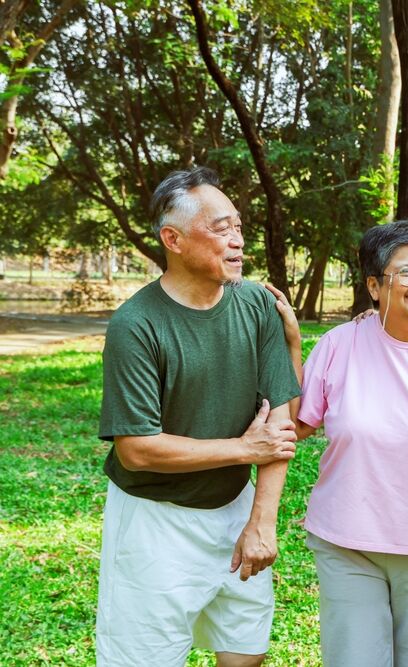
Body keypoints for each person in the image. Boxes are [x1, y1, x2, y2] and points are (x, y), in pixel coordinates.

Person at [97, 166, 301, 667]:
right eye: (220, 228)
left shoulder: (256, 303)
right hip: (156, 522)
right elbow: (137, 449)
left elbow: (282, 417)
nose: (236, 240)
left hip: (235, 507)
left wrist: (262, 521)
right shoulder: (135, 325)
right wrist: (243, 449)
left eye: (237, 226)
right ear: (174, 239)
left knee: (244, 651)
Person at [270, 221, 408, 667]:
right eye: (405, 272)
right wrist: (293, 343)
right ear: (373, 285)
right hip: (346, 540)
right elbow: (295, 425)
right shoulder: (339, 344)